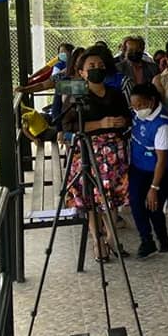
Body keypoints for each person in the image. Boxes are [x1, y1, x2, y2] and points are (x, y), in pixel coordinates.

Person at [63, 49, 131, 262]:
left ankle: (112, 237)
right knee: (90, 197)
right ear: (81, 72)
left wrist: (121, 122)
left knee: (111, 197)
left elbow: (128, 117)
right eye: (91, 66)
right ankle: (97, 240)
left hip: (114, 152)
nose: (96, 69)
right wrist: (100, 124)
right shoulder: (76, 94)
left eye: (100, 66)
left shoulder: (115, 93)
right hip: (87, 151)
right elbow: (68, 125)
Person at [128, 84, 168, 258]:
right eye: (134, 106)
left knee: (153, 206)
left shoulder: (163, 124)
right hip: (138, 167)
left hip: (159, 170)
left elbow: (161, 160)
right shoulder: (137, 113)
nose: (137, 109)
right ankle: (146, 241)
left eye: (140, 105)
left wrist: (154, 188)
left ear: (152, 101)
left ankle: (163, 239)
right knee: (136, 203)